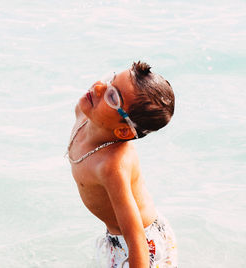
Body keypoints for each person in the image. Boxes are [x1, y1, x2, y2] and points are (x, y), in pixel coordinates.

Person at [66, 61, 177, 267]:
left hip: (143, 245)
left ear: (124, 131)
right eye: (110, 79)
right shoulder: (83, 114)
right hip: (115, 236)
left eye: (112, 96)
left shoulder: (112, 166)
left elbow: (136, 238)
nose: (99, 87)